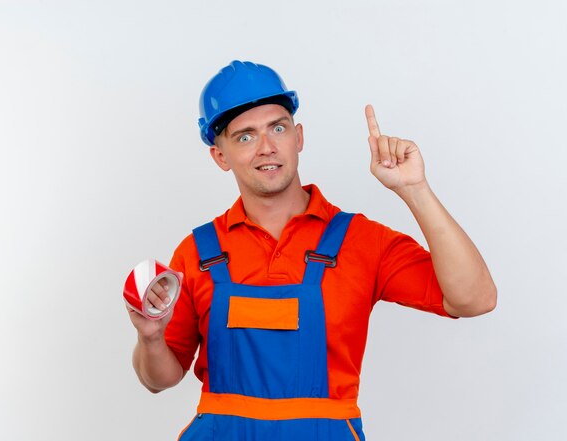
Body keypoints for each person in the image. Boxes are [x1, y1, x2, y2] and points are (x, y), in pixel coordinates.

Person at [126, 60, 497, 440]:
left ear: (298, 137)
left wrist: (414, 189)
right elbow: (160, 379)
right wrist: (151, 337)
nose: (267, 147)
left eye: (278, 128)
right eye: (245, 136)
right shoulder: (198, 252)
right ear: (220, 156)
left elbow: (475, 299)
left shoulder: (361, 241)